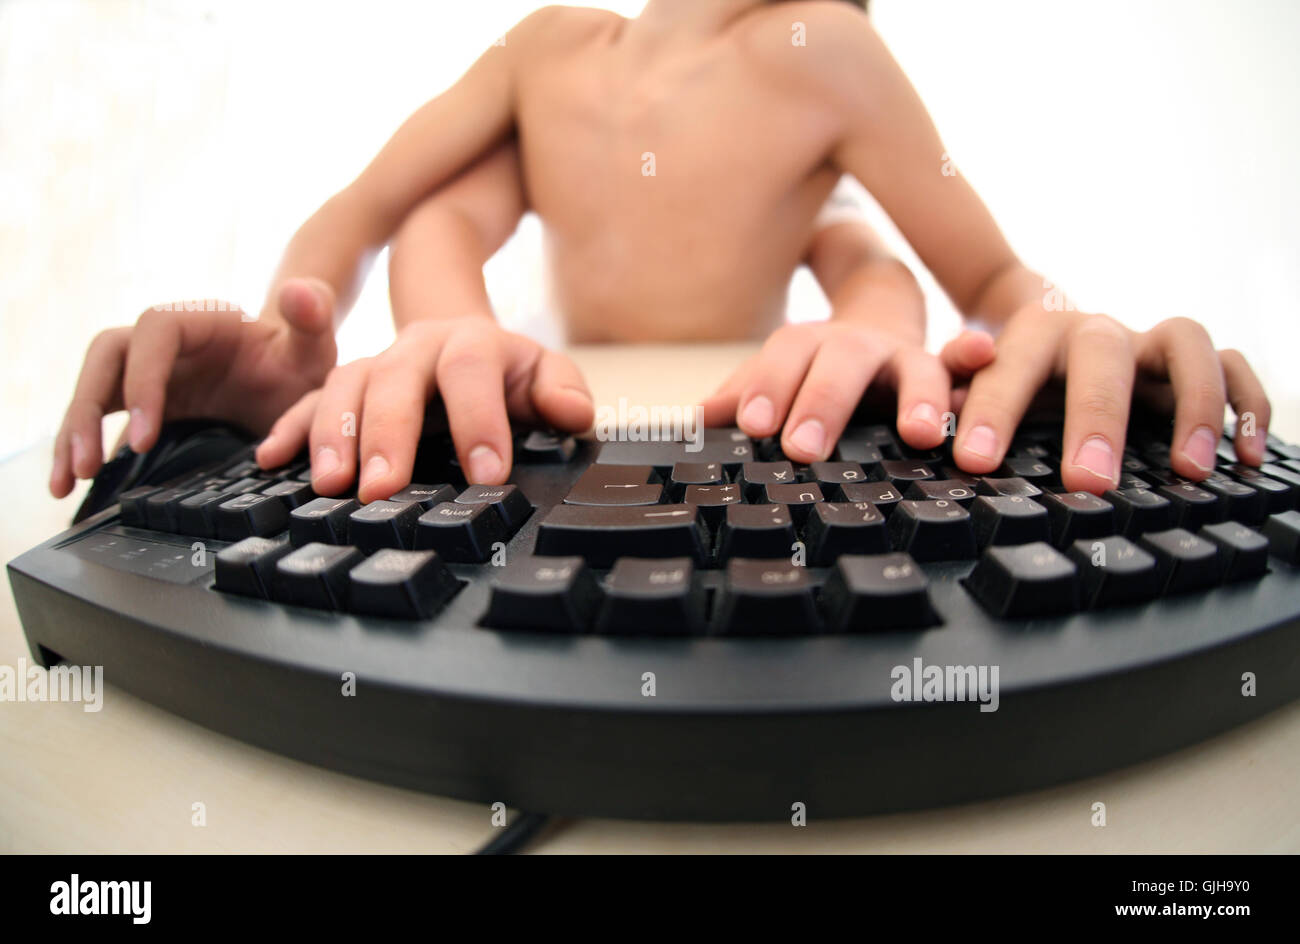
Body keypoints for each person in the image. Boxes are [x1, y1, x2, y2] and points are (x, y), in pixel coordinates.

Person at [49, 0, 1270, 506]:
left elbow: (992, 285)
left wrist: (1062, 336)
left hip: (759, 424)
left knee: (863, 254)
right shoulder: (550, 52)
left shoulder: (822, 47)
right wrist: (287, 342)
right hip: (570, 422)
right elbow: (367, 212)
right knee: (443, 214)